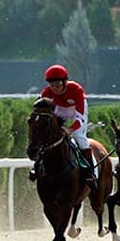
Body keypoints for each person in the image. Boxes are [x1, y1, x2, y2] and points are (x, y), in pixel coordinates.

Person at [40, 64, 97, 193]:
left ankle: (90, 172)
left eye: (58, 84)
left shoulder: (76, 89)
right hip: (60, 108)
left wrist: (70, 129)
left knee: (79, 136)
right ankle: (37, 167)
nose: (55, 89)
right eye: (52, 85)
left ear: (65, 82)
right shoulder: (46, 93)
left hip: (76, 110)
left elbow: (80, 118)